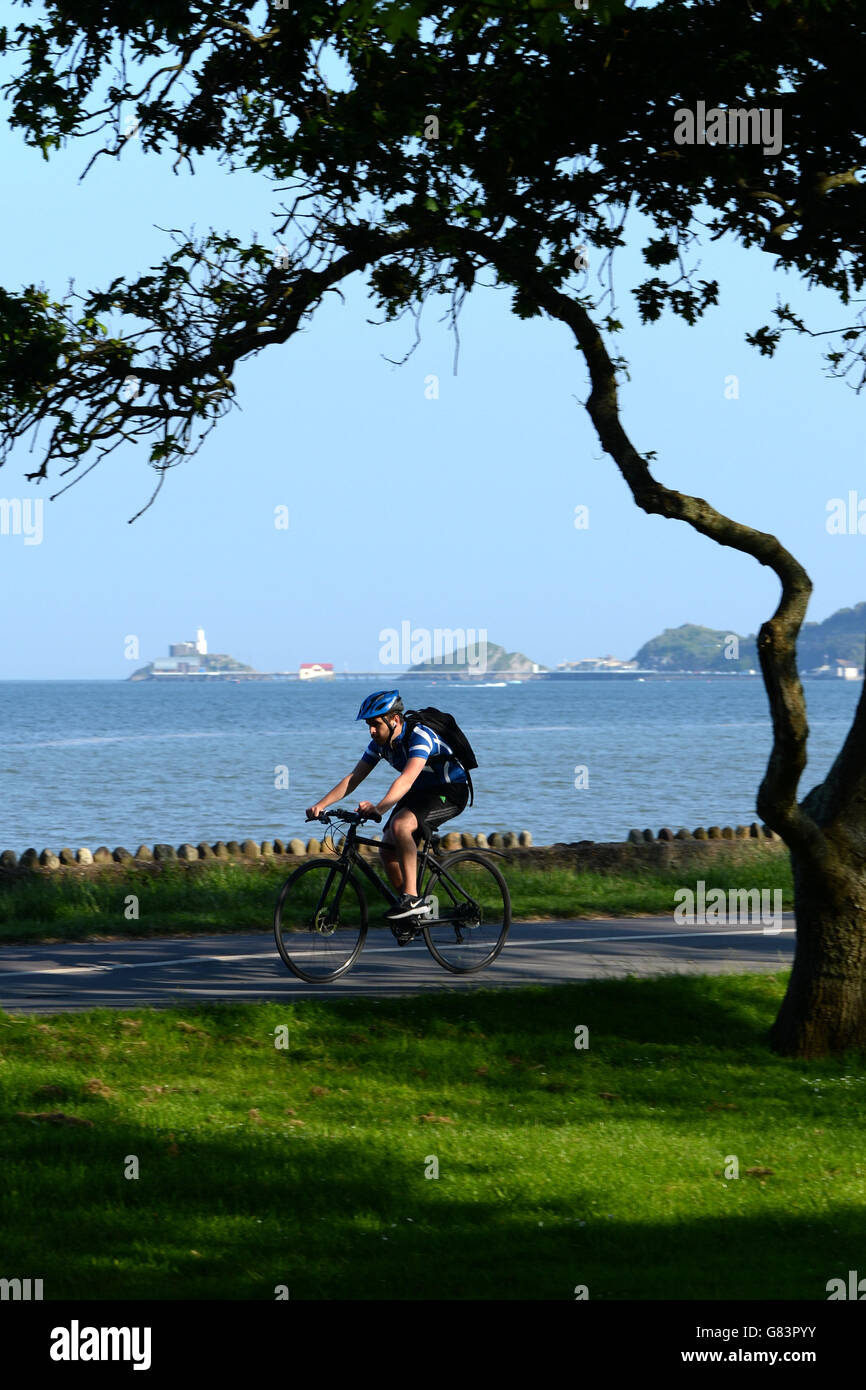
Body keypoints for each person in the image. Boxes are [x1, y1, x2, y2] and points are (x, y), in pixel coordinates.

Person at [306, 690, 469, 934]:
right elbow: (353, 778)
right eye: (368, 726)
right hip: (421, 793)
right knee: (387, 849)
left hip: (450, 791)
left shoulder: (420, 736)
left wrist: (379, 807)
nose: (371, 731)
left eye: (375, 724)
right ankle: (410, 916)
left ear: (394, 720)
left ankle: (412, 898)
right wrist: (322, 804)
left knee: (401, 826)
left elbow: (406, 779)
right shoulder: (380, 745)